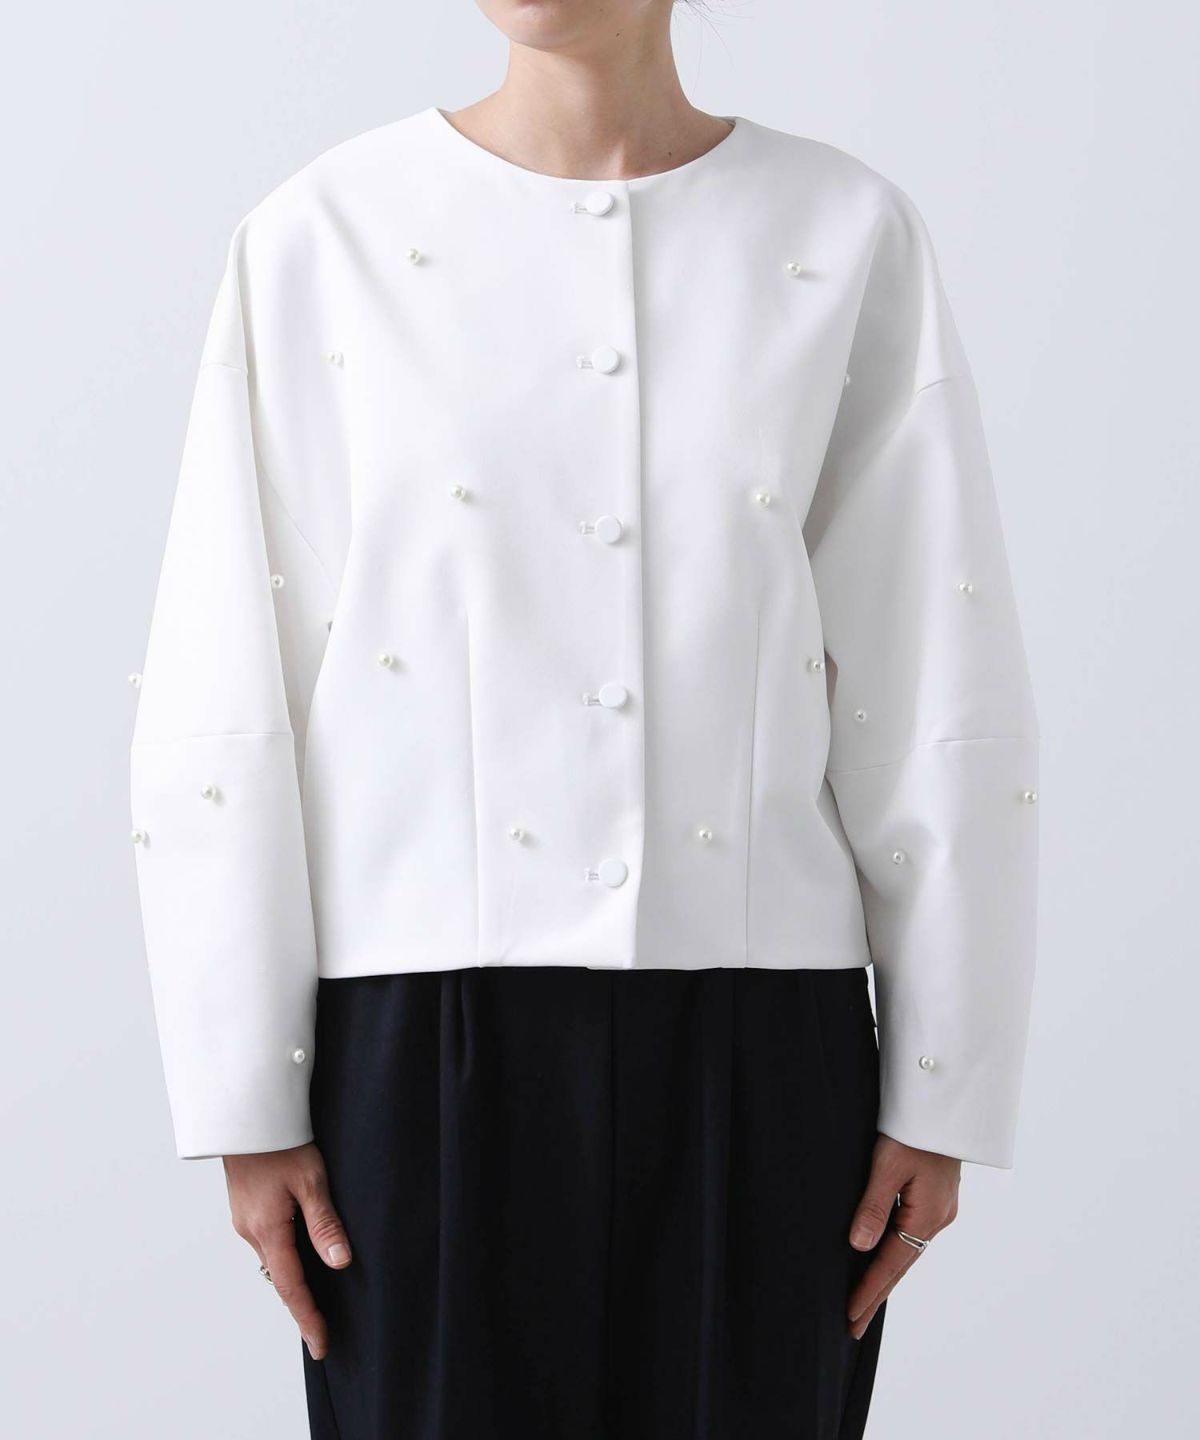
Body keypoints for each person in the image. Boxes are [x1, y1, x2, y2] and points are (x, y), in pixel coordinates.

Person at [128, 2, 1040, 1436]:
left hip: (765, 1043)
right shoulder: (325, 234)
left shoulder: (843, 230)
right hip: (415, 1043)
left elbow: (932, 659)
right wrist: (246, 1095)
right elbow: (230, 668)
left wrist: (945, 1080)